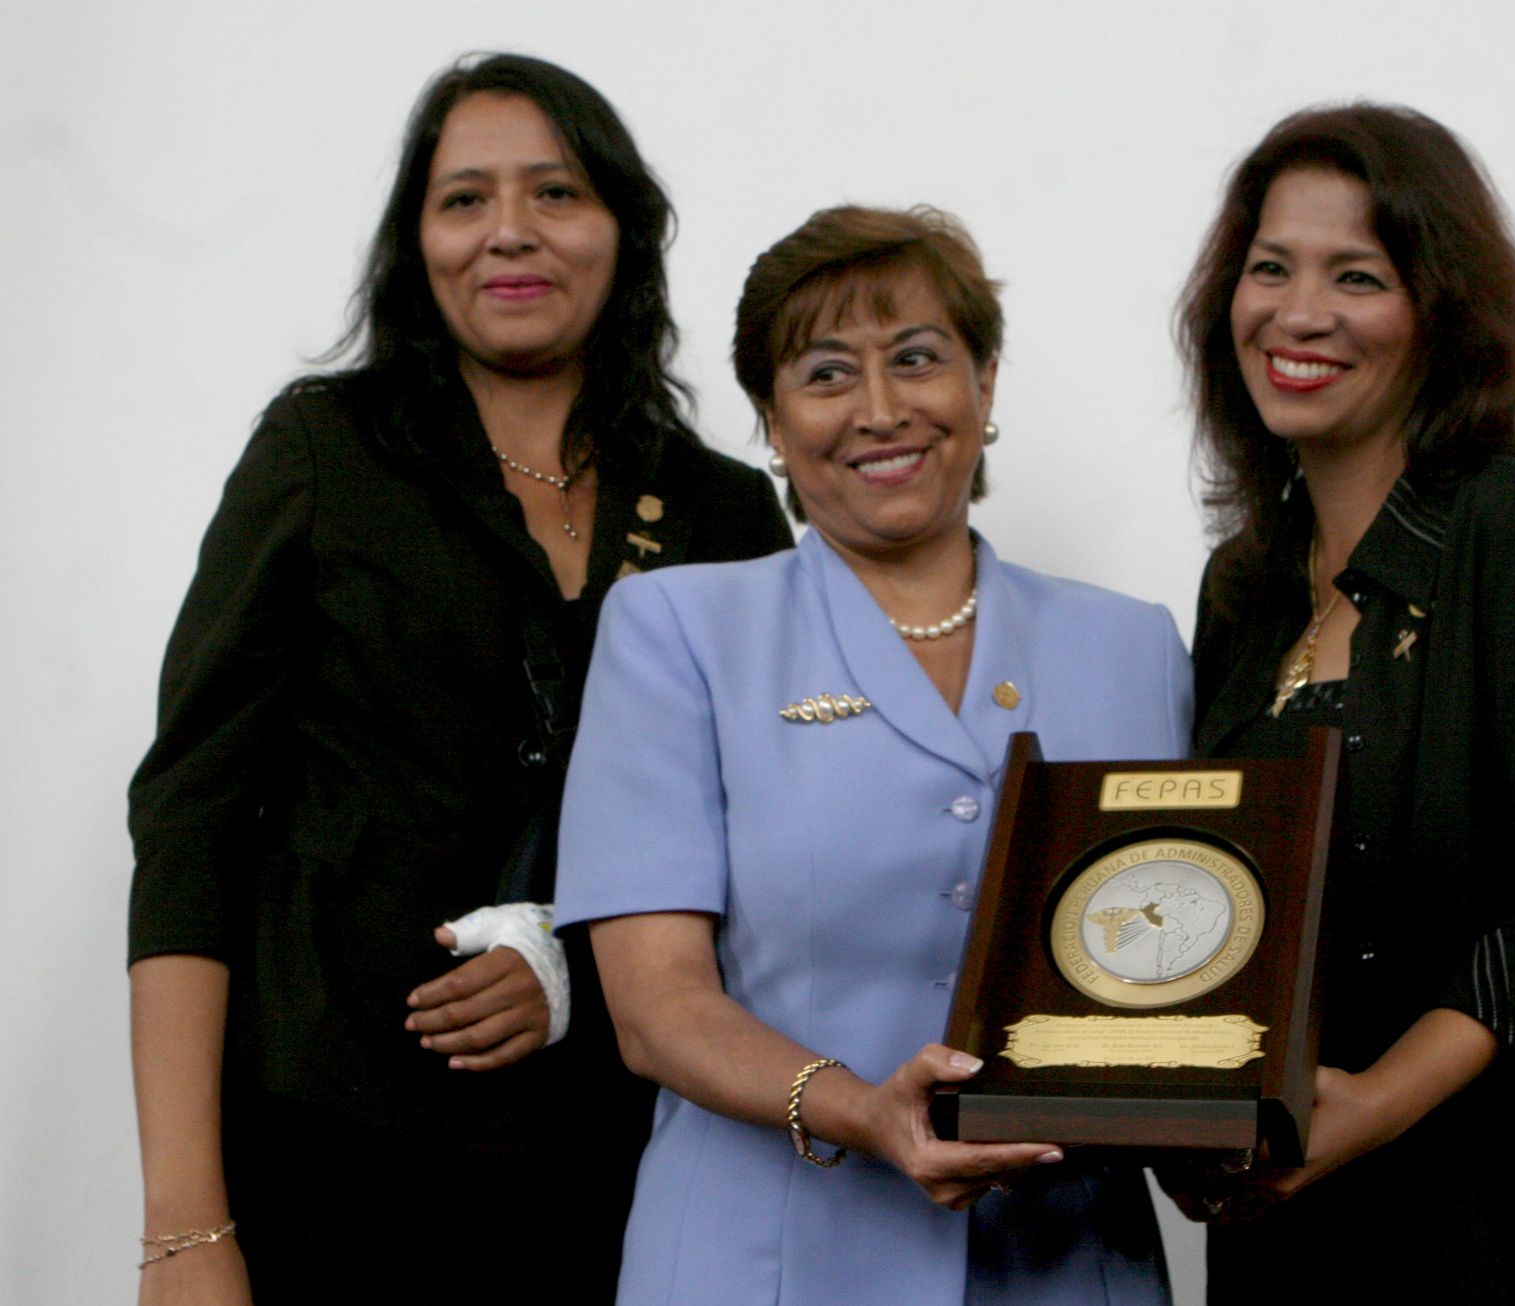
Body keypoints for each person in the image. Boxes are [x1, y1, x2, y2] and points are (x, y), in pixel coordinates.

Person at [126, 53, 791, 1303]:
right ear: (415, 242)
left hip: (625, 1167)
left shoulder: (724, 509)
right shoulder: (323, 453)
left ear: (623, 230)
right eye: (464, 199)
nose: (510, 234)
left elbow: (766, 852)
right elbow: (188, 829)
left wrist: (579, 959)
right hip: (326, 1156)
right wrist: (184, 1230)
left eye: (554, 192)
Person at [554, 205, 1193, 1304]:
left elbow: (1186, 951)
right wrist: (862, 1110)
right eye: (827, 372)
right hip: (759, 1260)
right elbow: (655, 1009)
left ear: (984, 385)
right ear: (770, 417)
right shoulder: (677, 630)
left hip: (1061, 1261)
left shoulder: (1134, 644)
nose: (882, 409)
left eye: (917, 359)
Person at [1173, 104, 1515, 1303]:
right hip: (1294, 1220)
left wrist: (1368, 1107)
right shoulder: (1244, 585)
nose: (1298, 313)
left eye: (1356, 275)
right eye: (1270, 268)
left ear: (1441, 313)